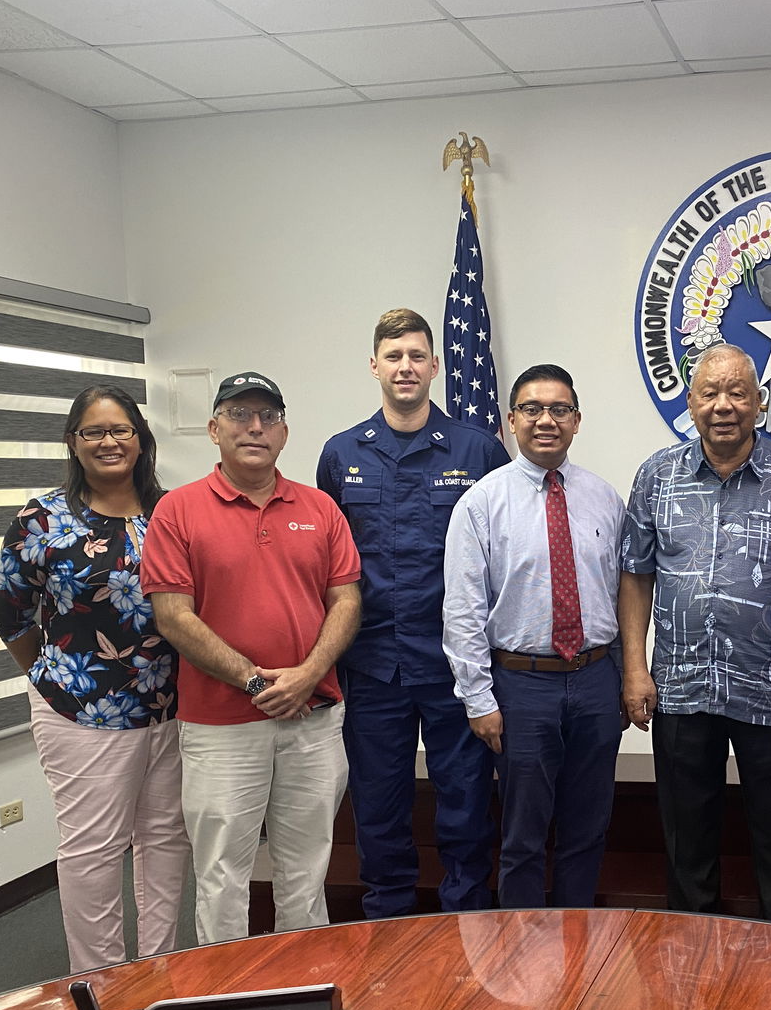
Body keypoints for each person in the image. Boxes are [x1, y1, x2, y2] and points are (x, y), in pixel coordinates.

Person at [143, 372, 361, 943]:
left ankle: (304, 985)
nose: (255, 427)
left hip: (312, 718)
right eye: (239, 414)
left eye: (267, 416)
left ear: (284, 432)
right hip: (222, 726)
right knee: (222, 875)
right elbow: (173, 616)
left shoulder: (321, 510)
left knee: (307, 871)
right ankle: (225, 1004)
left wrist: (308, 674)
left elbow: (346, 601)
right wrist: (256, 682)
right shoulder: (177, 511)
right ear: (214, 428)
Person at [620, 343, 771, 923]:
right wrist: (635, 668)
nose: (723, 406)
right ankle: (692, 955)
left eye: (737, 392)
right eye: (710, 393)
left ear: (759, 403)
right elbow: (636, 575)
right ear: (690, 403)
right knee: (687, 839)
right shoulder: (657, 476)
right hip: (682, 688)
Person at [0, 385, 188, 973]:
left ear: (141, 438)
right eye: (94, 432)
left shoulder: (171, 512)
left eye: (121, 430)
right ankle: (103, 985)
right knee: (95, 851)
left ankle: (160, 971)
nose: (109, 442)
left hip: (171, 709)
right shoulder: (42, 518)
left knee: (166, 843)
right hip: (81, 713)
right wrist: (57, 678)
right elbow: (8, 612)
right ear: (73, 443)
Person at [317, 309, 509, 917]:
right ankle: (388, 924)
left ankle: (467, 920)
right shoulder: (341, 452)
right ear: (374, 366)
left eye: (416, 356)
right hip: (373, 666)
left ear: (435, 366)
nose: (405, 367)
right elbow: (325, 562)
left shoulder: (478, 450)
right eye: (393, 356)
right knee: (378, 806)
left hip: (458, 667)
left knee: (466, 803)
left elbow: (507, 554)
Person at [443, 364, 626, 907]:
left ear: (576, 421)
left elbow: (620, 594)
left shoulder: (604, 498)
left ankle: (578, 946)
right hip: (521, 686)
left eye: (559, 410)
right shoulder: (481, 503)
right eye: (532, 409)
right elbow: (462, 611)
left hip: (595, 679)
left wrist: (623, 677)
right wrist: (478, 698)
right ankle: (524, 959)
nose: (546, 420)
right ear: (510, 421)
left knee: (588, 827)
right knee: (522, 835)